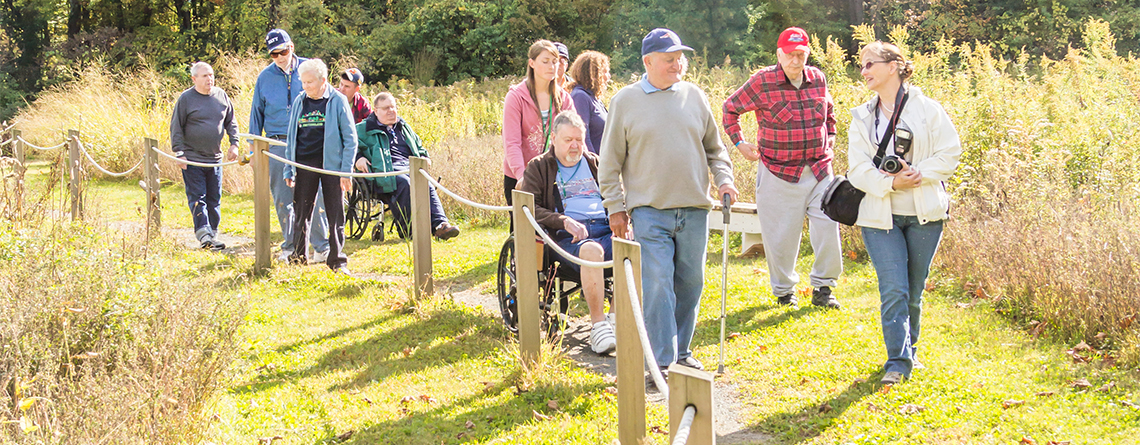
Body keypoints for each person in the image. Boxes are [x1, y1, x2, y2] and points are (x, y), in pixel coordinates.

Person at [598, 28, 737, 378]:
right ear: (648, 62)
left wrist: (724, 180)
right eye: (670, 58)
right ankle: (662, 361)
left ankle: (682, 350)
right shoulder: (625, 101)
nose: (678, 64)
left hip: (694, 207)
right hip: (649, 211)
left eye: (680, 58)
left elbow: (715, 151)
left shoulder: (695, 96)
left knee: (690, 283)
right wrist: (616, 207)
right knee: (658, 282)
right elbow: (610, 163)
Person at [848, 41, 961, 385]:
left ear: (894, 65)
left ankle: (909, 349)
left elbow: (950, 153)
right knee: (894, 289)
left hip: (925, 214)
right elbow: (856, 170)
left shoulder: (928, 110)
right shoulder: (862, 118)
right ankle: (897, 362)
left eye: (870, 64)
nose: (864, 71)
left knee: (913, 289)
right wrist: (892, 184)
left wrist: (918, 175)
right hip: (880, 216)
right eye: (862, 65)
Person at [722, 27, 843, 309]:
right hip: (779, 171)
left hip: (820, 169)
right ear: (779, 54)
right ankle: (784, 291)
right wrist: (740, 143)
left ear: (808, 54)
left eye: (801, 55)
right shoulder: (763, 81)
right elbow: (730, 109)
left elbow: (830, 116)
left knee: (828, 227)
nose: (796, 61)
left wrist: (831, 142)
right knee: (781, 236)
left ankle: (824, 288)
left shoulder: (818, 79)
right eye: (790, 55)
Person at [518, 111, 615, 354]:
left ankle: (615, 319)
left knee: (635, 245)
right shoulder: (539, 167)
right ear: (554, 139)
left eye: (579, 140)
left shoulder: (594, 162)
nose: (575, 146)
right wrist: (563, 221)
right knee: (592, 251)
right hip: (565, 239)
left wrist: (620, 217)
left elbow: (615, 195)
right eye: (568, 140)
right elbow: (529, 209)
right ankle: (598, 326)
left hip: (605, 228)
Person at [249, 28, 330, 262]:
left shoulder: (310, 69)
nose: (280, 56)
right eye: (274, 54)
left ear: (291, 47)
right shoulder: (264, 77)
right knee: (284, 199)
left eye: (283, 51)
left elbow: (328, 102)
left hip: (310, 142)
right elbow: (256, 114)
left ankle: (321, 246)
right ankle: (290, 247)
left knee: (315, 196)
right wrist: (253, 150)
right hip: (277, 143)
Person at [283, 58, 357, 274]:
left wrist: (345, 171)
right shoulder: (300, 100)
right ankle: (298, 258)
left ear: (323, 80)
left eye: (310, 83)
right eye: (303, 83)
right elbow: (291, 137)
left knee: (335, 213)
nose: (306, 87)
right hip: (304, 163)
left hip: (331, 165)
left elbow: (350, 139)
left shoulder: (337, 100)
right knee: (301, 212)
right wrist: (289, 167)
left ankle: (337, 261)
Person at [354, 92, 460, 240]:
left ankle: (441, 225)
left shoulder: (403, 126)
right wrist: (358, 158)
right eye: (386, 108)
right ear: (375, 110)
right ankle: (410, 231)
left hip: (411, 166)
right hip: (386, 170)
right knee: (405, 183)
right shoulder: (362, 129)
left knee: (427, 183)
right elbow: (348, 146)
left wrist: (424, 156)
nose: (391, 111)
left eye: (393, 107)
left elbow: (419, 146)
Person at [169, 61, 239, 251]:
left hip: (215, 158)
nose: (210, 79)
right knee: (198, 197)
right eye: (204, 76)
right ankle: (204, 234)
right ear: (194, 79)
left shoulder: (221, 96)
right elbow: (176, 127)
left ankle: (212, 234)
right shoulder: (186, 99)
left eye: (211, 75)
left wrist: (234, 144)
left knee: (214, 198)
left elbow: (231, 122)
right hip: (192, 158)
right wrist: (180, 153)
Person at [501, 39, 575, 205]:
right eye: (546, 61)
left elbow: (575, 138)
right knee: (523, 230)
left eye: (555, 62)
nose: (552, 66)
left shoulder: (564, 99)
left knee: (556, 228)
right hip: (520, 176)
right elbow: (512, 142)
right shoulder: (516, 97)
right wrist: (522, 177)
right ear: (532, 63)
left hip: (555, 177)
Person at [567, 51, 610, 154]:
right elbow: (582, 136)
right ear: (593, 74)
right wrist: (593, 164)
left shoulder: (594, 98)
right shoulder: (580, 97)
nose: (608, 76)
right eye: (604, 72)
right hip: (592, 165)